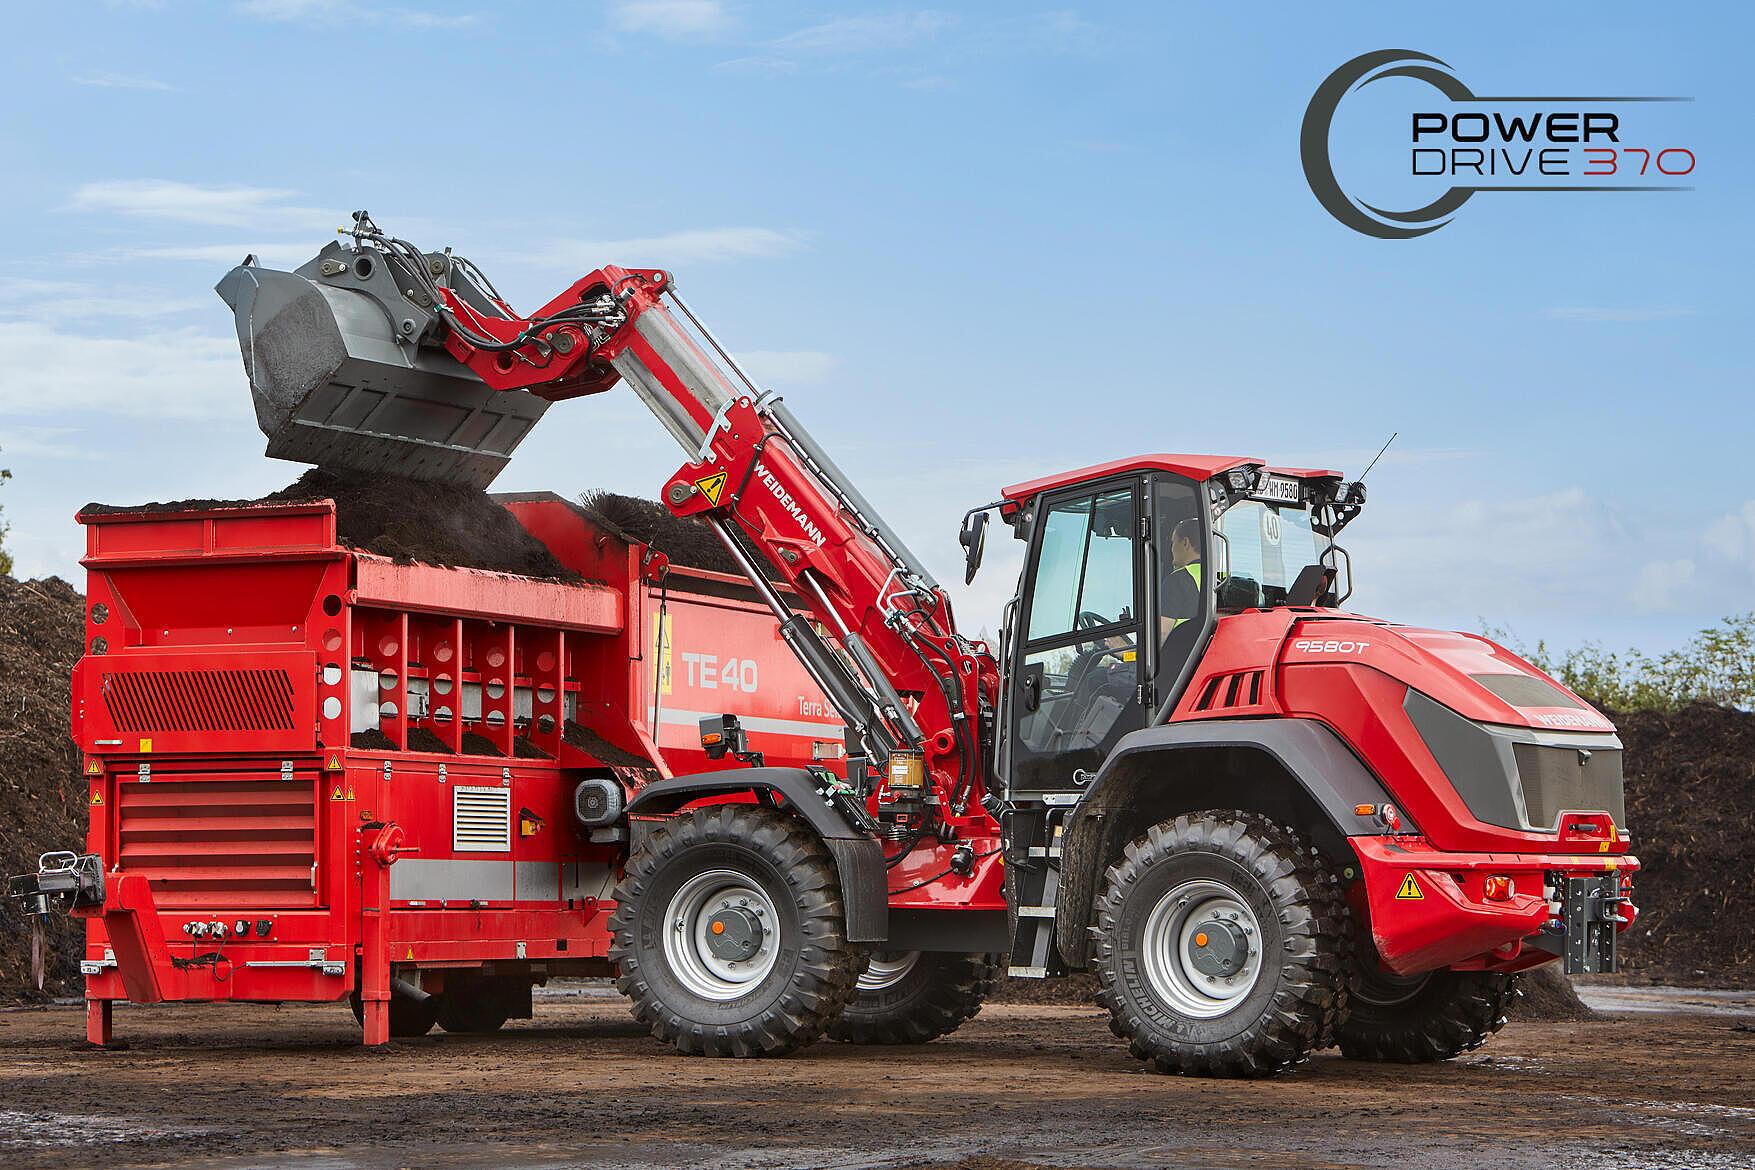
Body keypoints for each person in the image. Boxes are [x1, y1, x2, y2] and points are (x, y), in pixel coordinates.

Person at [1159, 517, 1203, 642]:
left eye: (1173, 542)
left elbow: (1161, 634)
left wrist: (1129, 654)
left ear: (1185, 543)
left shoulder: (1177, 580)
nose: (1171, 549)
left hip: (1183, 656)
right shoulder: (1221, 578)